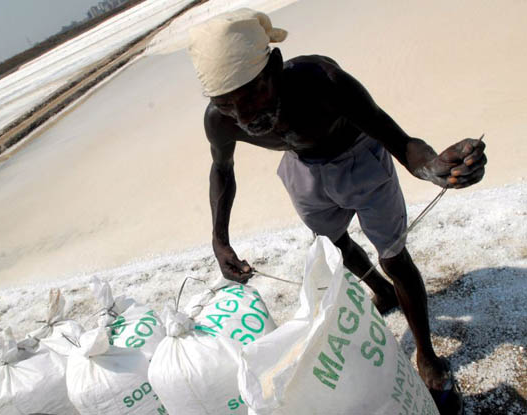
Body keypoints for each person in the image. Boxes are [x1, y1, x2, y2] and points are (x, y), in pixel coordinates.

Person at [187, 8, 486, 415]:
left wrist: (432, 166)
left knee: (393, 257)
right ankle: (381, 292)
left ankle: (426, 355)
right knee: (336, 245)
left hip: (360, 157)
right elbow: (222, 170)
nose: (246, 116)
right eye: (227, 104)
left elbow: (394, 136)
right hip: (303, 167)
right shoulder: (219, 121)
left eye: (252, 95)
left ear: (274, 66)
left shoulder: (321, 81)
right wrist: (219, 239)